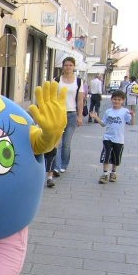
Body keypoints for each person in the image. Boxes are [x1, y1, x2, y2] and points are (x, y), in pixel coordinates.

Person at [44, 56, 84, 187]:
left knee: (66, 143)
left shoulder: (78, 81)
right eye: (66, 65)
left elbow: (80, 100)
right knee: (57, 142)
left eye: (70, 65)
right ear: (63, 66)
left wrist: (79, 116)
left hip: (71, 114)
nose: (68, 67)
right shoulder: (56, 80)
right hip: (58, 113)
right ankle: (56, 166)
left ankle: (63, 164)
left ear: (74, 67)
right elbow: (51, 96)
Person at [90, 90, 132, 184]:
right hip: (107, 138)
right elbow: (103, 124)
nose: (116, 101)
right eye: (114, 99)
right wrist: (96, 117)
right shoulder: (108, 111)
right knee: (106, 156)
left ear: (123, 101)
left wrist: (133, 115)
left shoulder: (125, 111)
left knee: (116, 158)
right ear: (111, 99)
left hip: (119, 139)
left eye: (119, 100)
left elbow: (131, 122)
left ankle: (113, 173)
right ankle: (105, 174)